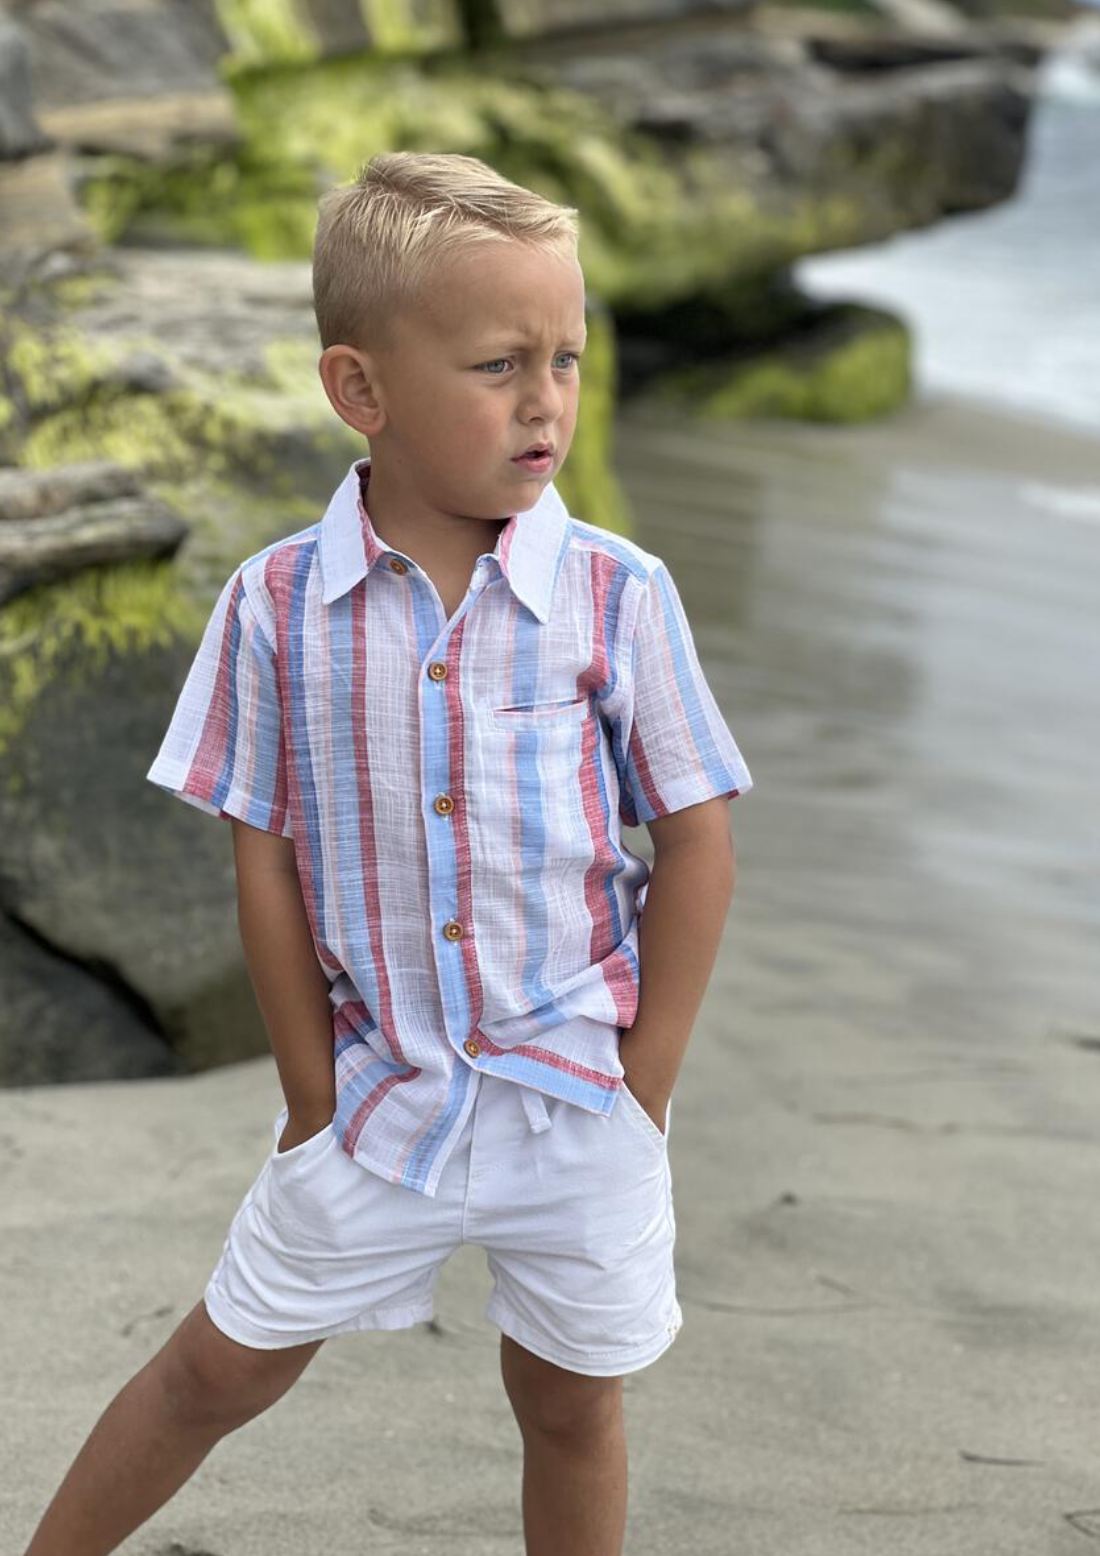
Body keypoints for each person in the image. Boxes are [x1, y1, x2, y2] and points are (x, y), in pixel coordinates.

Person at [21, 150, 753, 1556]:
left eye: (568, 359)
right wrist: (308, 1094)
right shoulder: (277, 606)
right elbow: (265, 858)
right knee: (215, 1370)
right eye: (498, 365)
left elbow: (700, 841)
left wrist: (642, 1086)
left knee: (568, 1400)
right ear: (361, 390)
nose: (545, 399)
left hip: (577, 1102)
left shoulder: (617, 594)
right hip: (378, 1101)